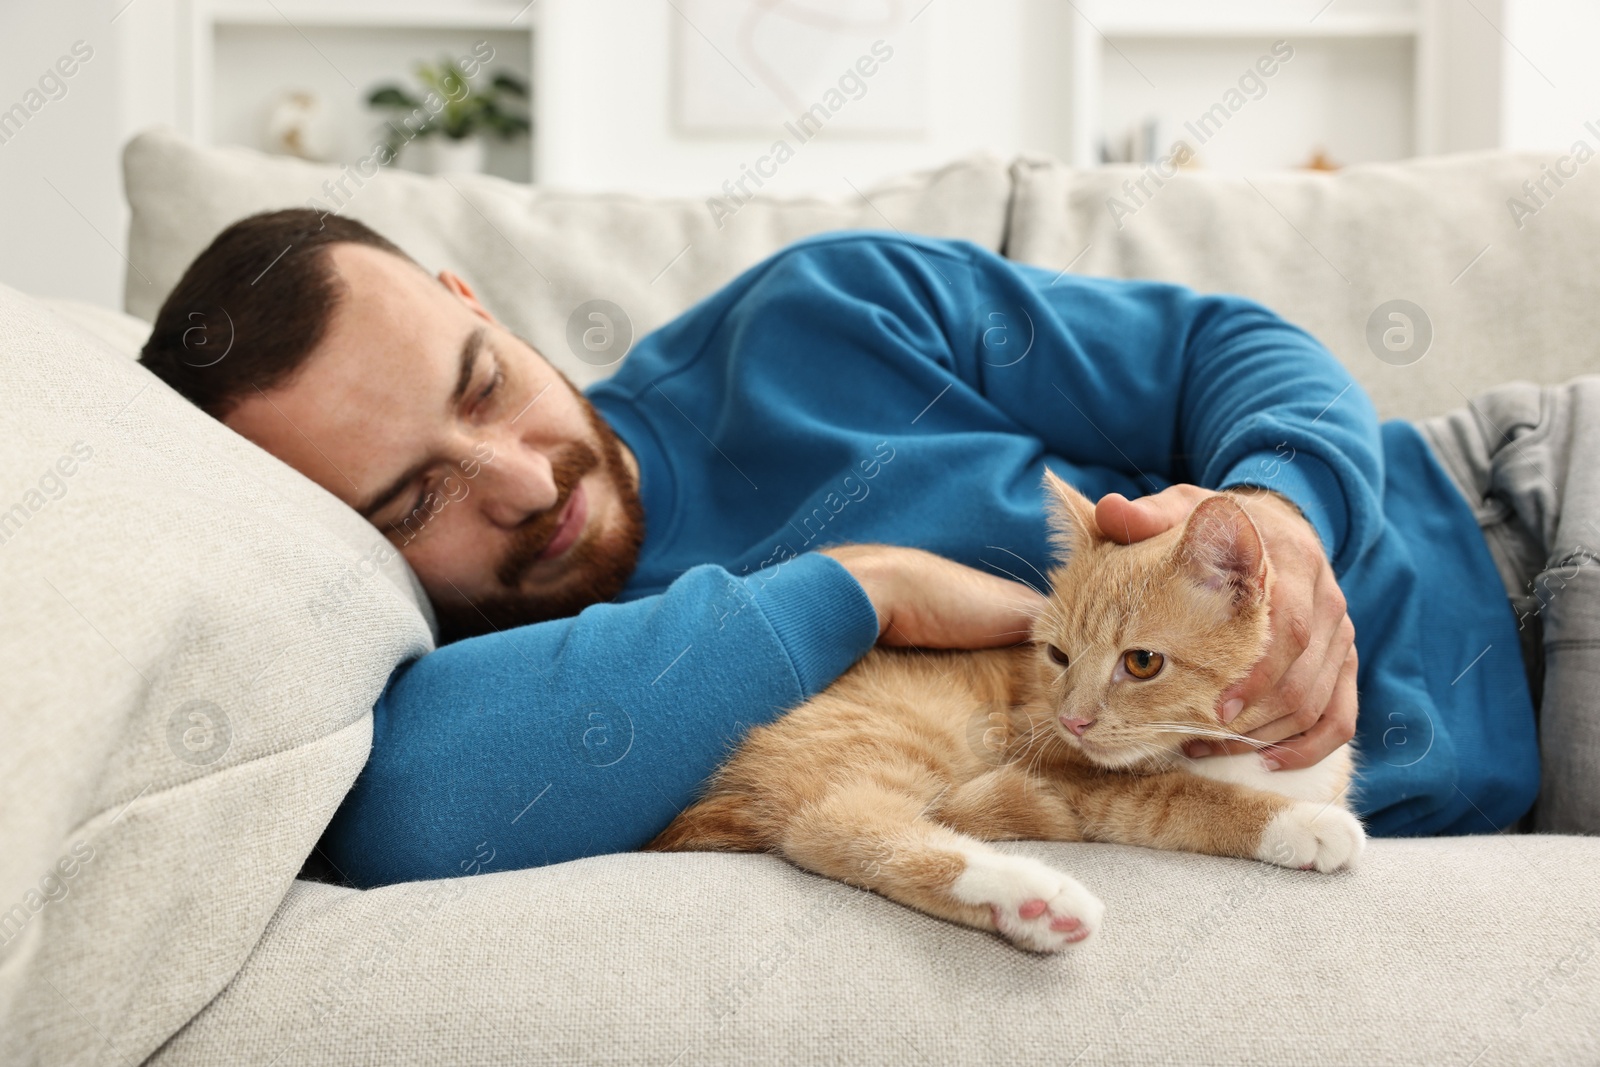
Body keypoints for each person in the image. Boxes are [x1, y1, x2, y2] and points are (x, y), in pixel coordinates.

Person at [137, 210, 1594, 887]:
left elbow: (1234, 351)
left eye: (482, 380)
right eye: (414, 501)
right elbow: (396, 817)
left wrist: (1288, 511)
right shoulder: (513, 681)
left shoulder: (823, 313)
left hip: (1518, 517)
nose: (522, 477)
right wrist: (859, 588)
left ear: (478, 296)